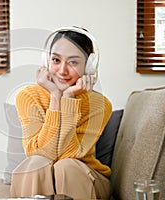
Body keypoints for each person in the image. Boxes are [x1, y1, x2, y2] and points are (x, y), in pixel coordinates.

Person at [10, 26, 112, 200]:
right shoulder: (27, 96)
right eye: (56, 60)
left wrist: (69, 97)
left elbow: (70, 154)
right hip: (43, 173)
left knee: (66, 166)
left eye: (73, 62)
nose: (62, 71)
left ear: (89, 67)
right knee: (36, 163)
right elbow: (40, 153)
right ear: (46, 61)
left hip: (84, 175)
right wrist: (56, 98)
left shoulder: (100, 104)